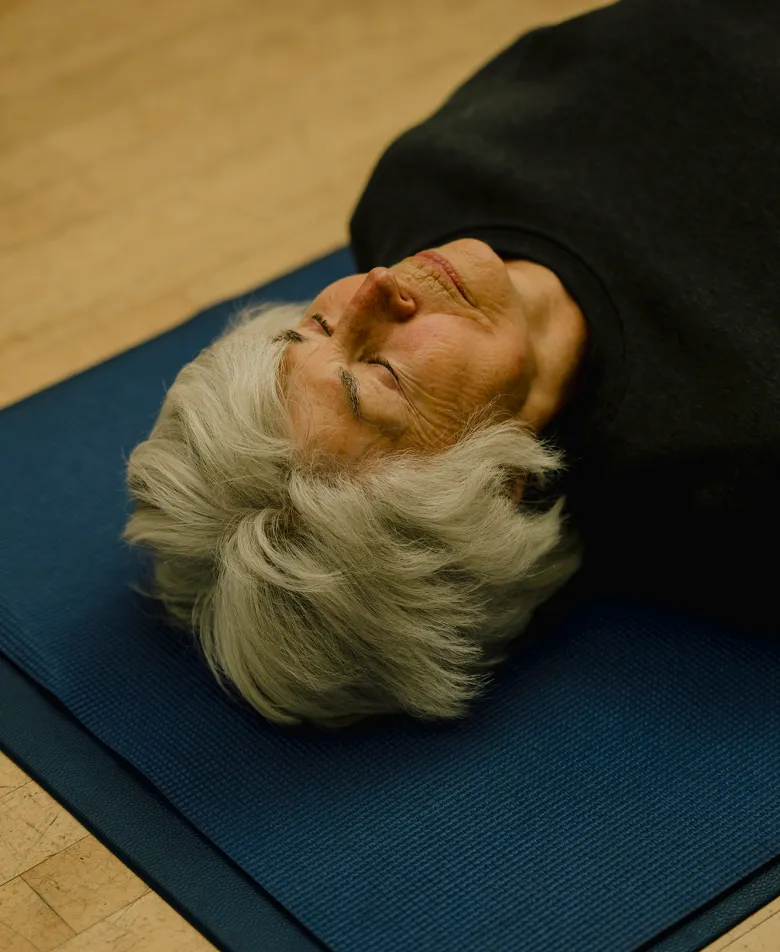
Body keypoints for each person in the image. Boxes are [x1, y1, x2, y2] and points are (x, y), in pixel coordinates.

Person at [123, 0, 780, 727]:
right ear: (498, 486)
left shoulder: (424, 180)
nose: (376, 286)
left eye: (313, 325)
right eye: (381, 376)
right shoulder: (746, 458)